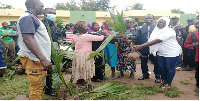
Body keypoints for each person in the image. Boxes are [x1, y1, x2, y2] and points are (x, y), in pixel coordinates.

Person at [134, 16, 182, 89]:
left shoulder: (169, 31)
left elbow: (157, 40)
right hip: (160, 52)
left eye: (162, 22)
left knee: (170, 68)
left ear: (166, 23)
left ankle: (168, 83)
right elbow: (150, 41)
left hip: (171, 53)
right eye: (159, 22)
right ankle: (163, 80)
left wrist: (141, 46)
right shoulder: (155, 31)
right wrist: (140, 46)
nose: (160, 24)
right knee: (162, 67)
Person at [17, 0, 52, 100]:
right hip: (33, 58)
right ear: (32, 5)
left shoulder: (33, 17)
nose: (43, 8)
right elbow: (28, 39)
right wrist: (43, 59)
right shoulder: (28, 18)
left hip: (36, 58)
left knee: (39, 84)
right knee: (36, 86)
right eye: (41, 6)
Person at [71, 20, 105, 91]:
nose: (87, 27)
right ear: (81, 29)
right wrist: (104, 34)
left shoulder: (74, 36)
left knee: (79, 67)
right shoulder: (87, 36)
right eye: (85, 26)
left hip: (77, 55)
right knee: (86, 68)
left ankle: (80, 80)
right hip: (85, 55)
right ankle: (85, 82)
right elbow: (100, 38)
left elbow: (73, 46)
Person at [129, 14, 161, 83]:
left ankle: (158, 76)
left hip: (154, 47)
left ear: (153, 19)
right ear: (144, 19)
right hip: (143, 47)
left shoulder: (157, 28)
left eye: (150, 18)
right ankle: (145, 75)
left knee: (156, 62)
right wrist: (128, 37)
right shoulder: (140, 28)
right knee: (143, 62)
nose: (148, 19)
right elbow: (135, 36)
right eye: (146, 18)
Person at [42, 7, 57, 96]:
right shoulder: (40, 23)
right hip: (42, 50)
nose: (52, 14)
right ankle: (42, 88)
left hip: (51, 50)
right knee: (42, 70)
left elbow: (54, 37)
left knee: (50, 69)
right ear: (44, 13)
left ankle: (49, 87)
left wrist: (57, 45)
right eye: (50, 12)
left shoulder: (53, 24)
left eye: (54, 13)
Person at [184, 20, 199, 92]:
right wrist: (194, 45)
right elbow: (186, 44)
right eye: (197, 23)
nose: (198, 24)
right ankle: (198, 85)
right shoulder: (192, 35)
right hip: (197, 57)